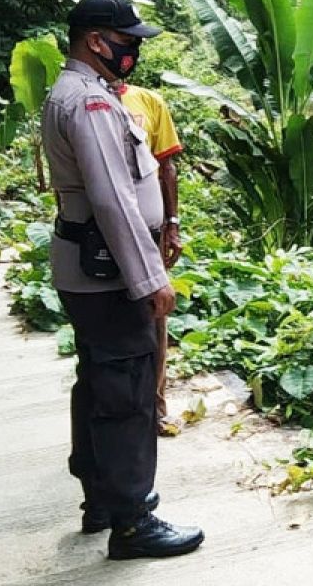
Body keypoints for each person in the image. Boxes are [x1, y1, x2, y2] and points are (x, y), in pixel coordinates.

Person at [42, 0, 204, 560]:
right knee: (127, 392)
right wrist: (150, 279)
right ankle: (134, 519)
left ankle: (101, 500)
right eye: (127, 40)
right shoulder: (88, 103)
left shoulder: (79, 94)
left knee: (99, 382)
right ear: (96, 41)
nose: (133, 50)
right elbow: (114, 201)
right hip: (108, 273)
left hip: (90, 266)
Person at [112, 72, 183, 435]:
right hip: (104, 232)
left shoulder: (149, 102)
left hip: (151, 231)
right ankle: (119, 406)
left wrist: (172, 223)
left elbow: (166, 167)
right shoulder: (82, 104)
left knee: (157, 313)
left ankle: (156, 404)